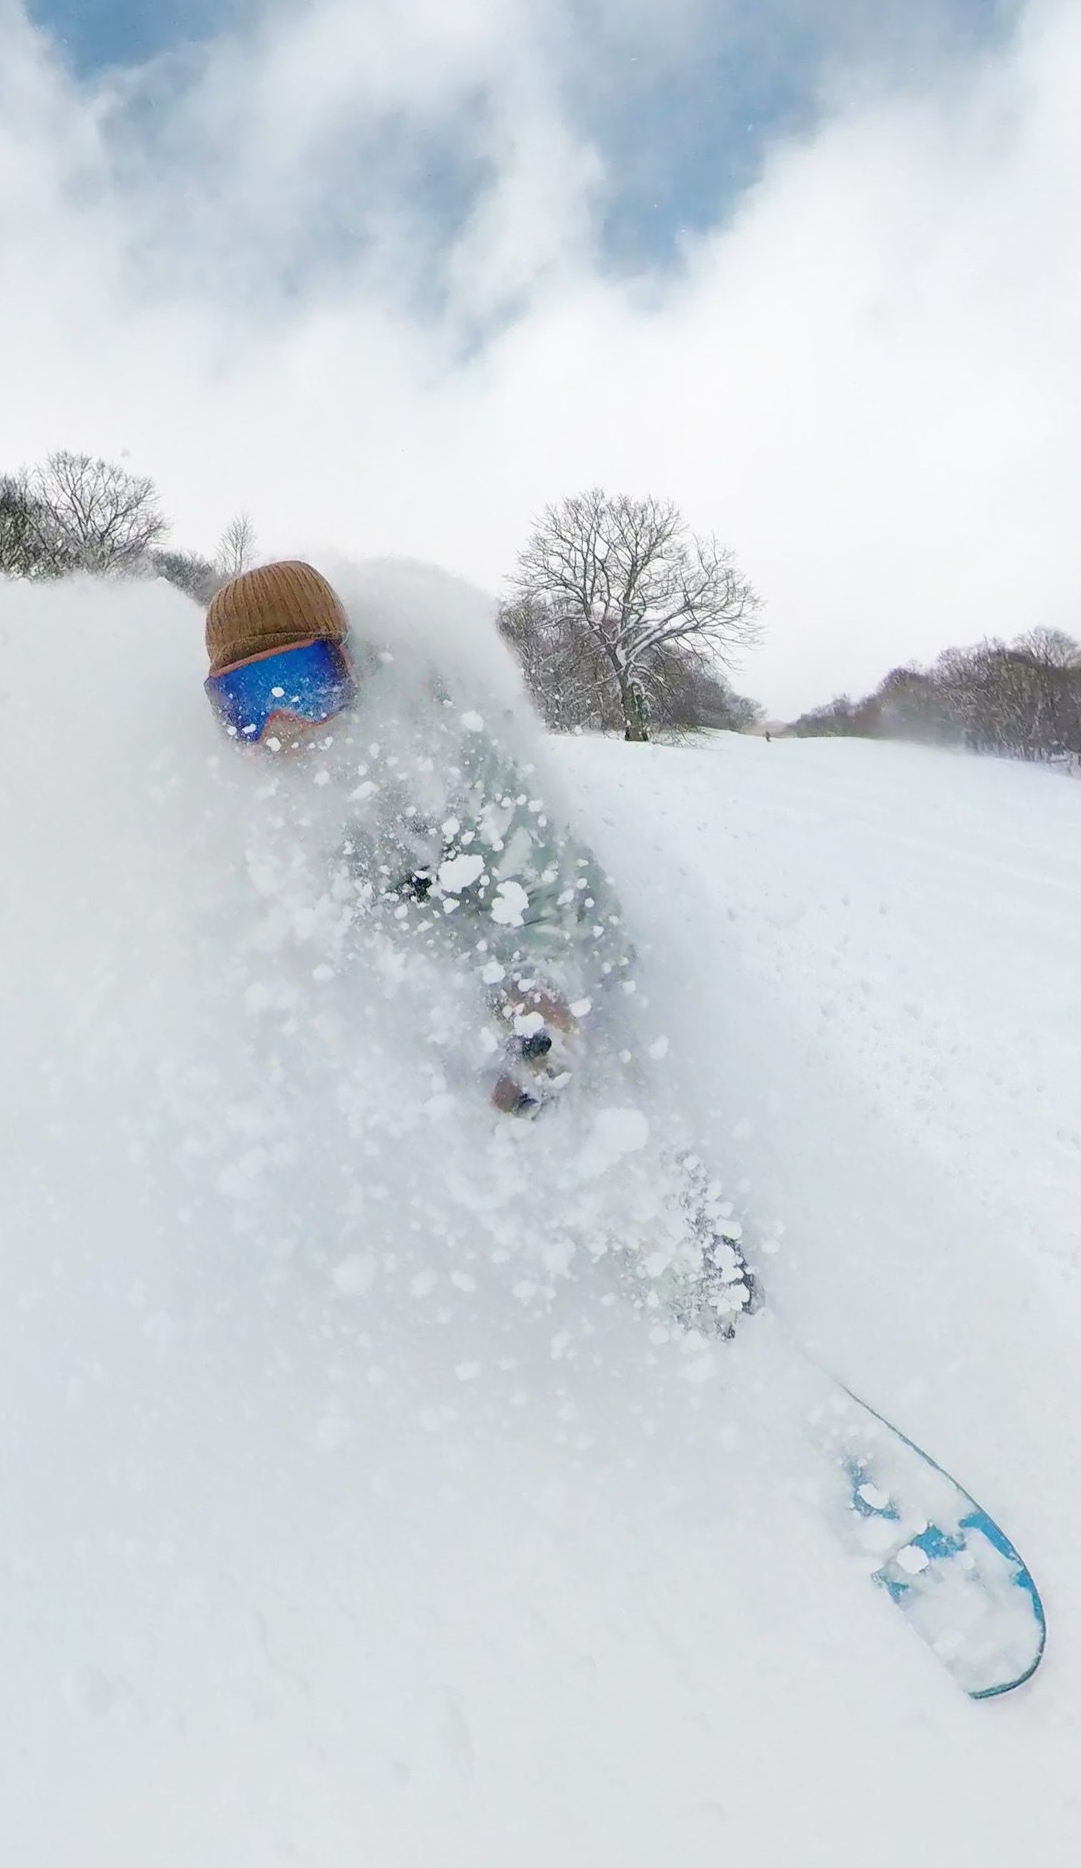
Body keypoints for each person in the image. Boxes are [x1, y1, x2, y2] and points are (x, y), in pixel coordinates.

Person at [203, 558, 759, 1332]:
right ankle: (579, 1277)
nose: (282, 724)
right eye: (247, 704)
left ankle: (710, 1280)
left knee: (607, 1107)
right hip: (458, 980)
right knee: (502, 1123)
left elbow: (543, 888)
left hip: (568, 951)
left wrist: (540, 995)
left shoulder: (439, 745)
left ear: (347, 666)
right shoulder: (285, 792)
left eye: (301, 683)